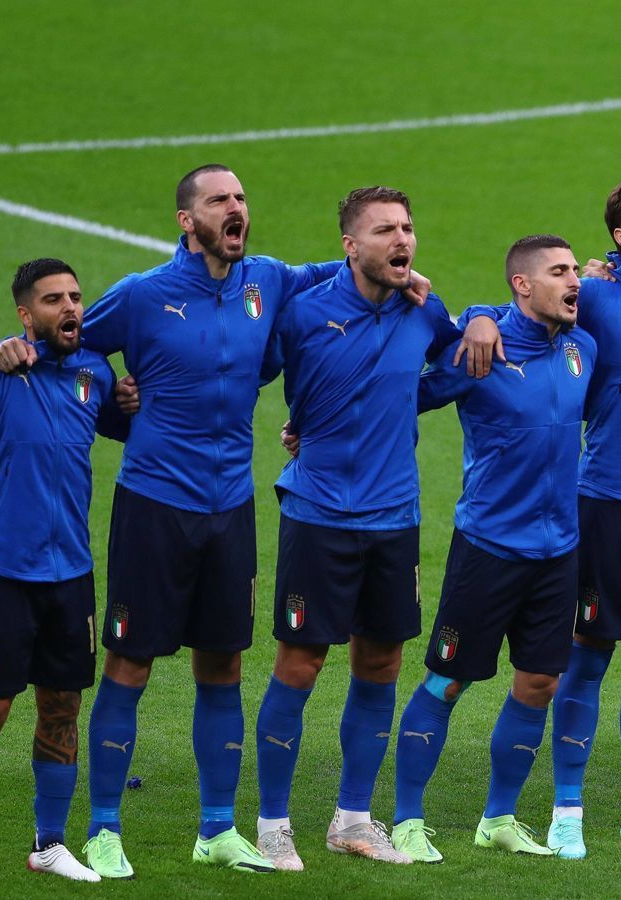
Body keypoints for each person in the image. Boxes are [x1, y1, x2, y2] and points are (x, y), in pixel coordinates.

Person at [0, 164, 431, 876]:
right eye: (218, 200)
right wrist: (50, 367)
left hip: (232, 507)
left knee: (222, 666)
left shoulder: (269, 281)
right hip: (155, 504)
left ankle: (218, 829)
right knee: (130, 664)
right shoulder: (142, 297)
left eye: (242, 198)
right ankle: (104, 829)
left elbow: (352, 268)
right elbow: (73, 345)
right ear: (186, 221)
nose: (237, 208)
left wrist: (420, 283)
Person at [452, 169, 621, 857]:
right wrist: (478, 316)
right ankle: (567, 810)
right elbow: (521, 308)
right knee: (589, 654)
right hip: (608, 502)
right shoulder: (597, 295)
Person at [251, 187, 459, 869]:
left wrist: (481, 321)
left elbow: (455, 368)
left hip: (395, 518)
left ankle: (352, 820)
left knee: (381, 664)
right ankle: (272, 825)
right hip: (319, 516)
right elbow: (237, 371)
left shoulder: (426, 310)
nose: (402, 240)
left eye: (407, 227)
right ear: (350, 246)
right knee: (301, 663)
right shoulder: (305, 312)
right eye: (384, 231)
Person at [390, 234, 596, 857]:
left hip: (559, 550)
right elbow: (402, 397)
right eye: (559, 272)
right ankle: (405, 820)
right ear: (522, 285)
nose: (573, 281)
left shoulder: (582, 348)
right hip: (489, 548)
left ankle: (498, 820)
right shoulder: (480, 351)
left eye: (574, 269)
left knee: (539, 683)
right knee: (447, 682)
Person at [0, 259, 128, 888]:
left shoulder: (92, 373)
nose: (70, 307)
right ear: (25, 315)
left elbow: (126, 425)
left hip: (72, 577)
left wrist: (131, 399)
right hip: (2, 577)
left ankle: (49, 843)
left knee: (62, 709)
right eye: (53, 300)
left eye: (75, 297)